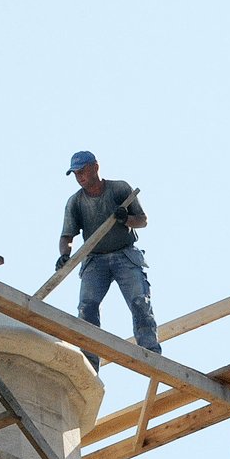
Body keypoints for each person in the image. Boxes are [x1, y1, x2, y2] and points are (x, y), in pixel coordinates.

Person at [57, 150, 161, 370]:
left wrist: (126, 219)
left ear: (95, 167)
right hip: (96, 260)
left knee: (139, 301)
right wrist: (64, 255)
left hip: (124, 255)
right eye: (76, 174)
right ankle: (89, 363)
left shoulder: (119, 189)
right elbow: (67, 236)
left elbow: (142, 221)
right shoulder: (75, 202)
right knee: (87, 307)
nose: (80, 177)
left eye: (83, 171)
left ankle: (151, 354)